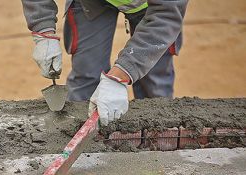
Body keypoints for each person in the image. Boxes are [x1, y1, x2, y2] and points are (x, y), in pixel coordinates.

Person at [21, 0, 188, 125]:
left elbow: (166, 15)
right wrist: (43, 30)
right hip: (92, 3)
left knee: (155, 89)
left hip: (153, 7)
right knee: (86, 77)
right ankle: (84, 142)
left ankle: (157, 145)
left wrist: (120, 76)